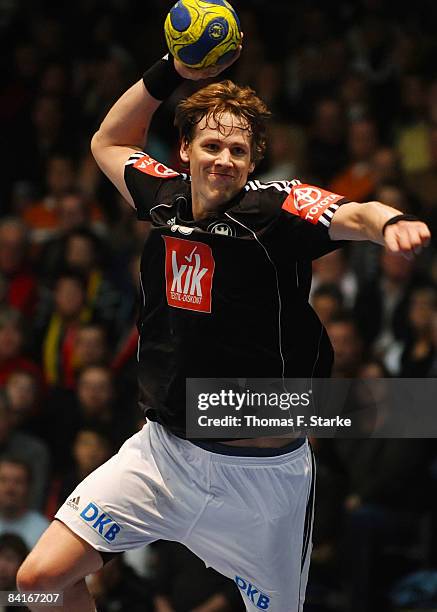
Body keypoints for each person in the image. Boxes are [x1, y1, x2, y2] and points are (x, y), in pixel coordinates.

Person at [17, 45, 431, 612]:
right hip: (164, 456)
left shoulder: (279, 209)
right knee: (37, 582)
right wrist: (171, 73)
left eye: (238, 149)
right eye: (211, 145)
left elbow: (357, 213)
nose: (223, 159)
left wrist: (393, 225)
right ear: (185, 150)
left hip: (264, 482)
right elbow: (108, 142)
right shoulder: (164, 199)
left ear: (253, 160)